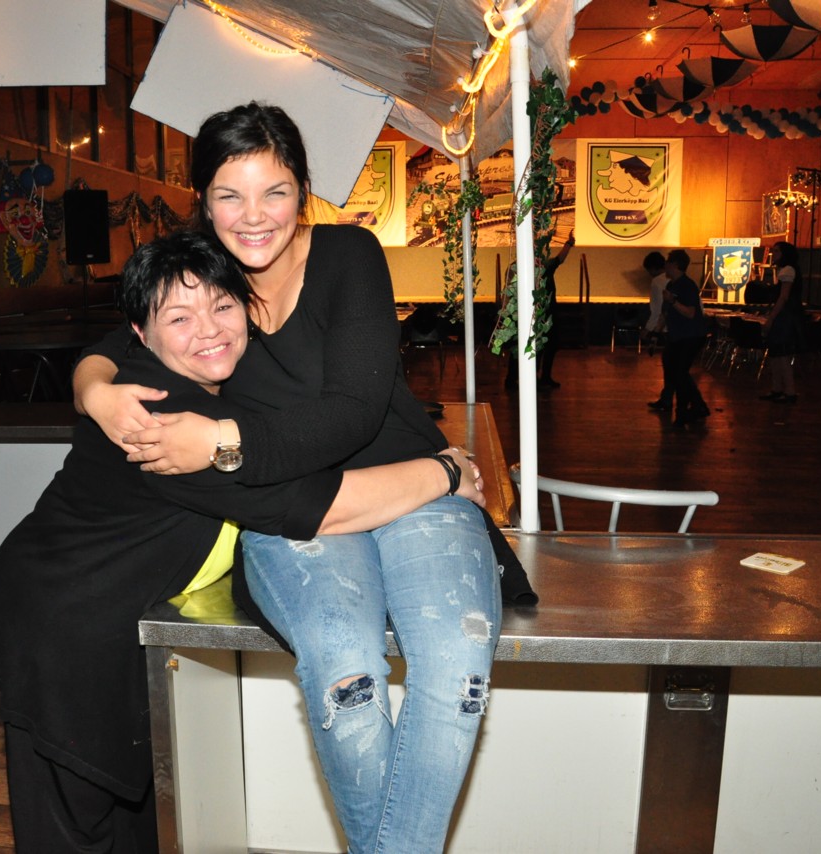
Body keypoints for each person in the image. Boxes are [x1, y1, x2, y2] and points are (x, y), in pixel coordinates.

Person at [75, 102, 533, 853]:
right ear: (204, 201)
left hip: (415, 486)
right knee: (346, 671)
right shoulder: (205, 268)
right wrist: (94, 391)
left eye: (275, 191)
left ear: (303, 190)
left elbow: (352, 413)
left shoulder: (349, 254)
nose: (254, 216)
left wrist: (220, 439)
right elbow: (116, 341)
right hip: (292, 506)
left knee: (457, 667)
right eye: (230, 195)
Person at [0, 230, 488, 853]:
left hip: (121, 607)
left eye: (222, 306)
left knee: (135, 817)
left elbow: (110, 351)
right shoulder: (165, 422)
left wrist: (90, 384)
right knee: (73, 824)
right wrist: (444, 473)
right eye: (180, 318)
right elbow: (313, 507)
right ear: (142, 334)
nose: (209, 330)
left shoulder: (214, 385)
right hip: (63, 623)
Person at [660, 248, 710, 429]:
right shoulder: (671, 286)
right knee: (677, 372)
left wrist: (673, 301)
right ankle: (698, 406)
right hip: (678, 336)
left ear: (674, 265)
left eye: (667, 263)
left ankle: (683, 413)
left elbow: (690, 313)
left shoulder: (687, 286)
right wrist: (656, 331)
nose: (665, 266)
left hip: (691, 336)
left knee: (680, 373)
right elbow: (666, 313)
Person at [760, 241, 804, 403]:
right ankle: (777, 389)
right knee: (776, 354)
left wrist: (771, 317)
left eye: (777, 251)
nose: (774, 254)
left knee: (782, 354)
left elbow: (783, 297)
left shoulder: (788, 270)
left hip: (785, 317)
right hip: (784, 315)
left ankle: (789, 392)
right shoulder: (786, 270)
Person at [537, 231, 574, 390]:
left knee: (545, 347)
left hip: (542, 312)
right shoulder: (545, 268)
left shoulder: (536, 269)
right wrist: (569, 244)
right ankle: (543, 377)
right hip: (546, 313)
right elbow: (560, 259)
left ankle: (541, 377)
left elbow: (558, 260)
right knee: (547, 346)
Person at [642, 250, 671, 409]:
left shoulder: (657, 282)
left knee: (672, 367)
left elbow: (657, 310)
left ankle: (669, 400)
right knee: (676, 368)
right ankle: (668, 399)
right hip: (684, 329)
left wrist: (649, 329)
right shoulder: (679, 281)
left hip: (669, 329)